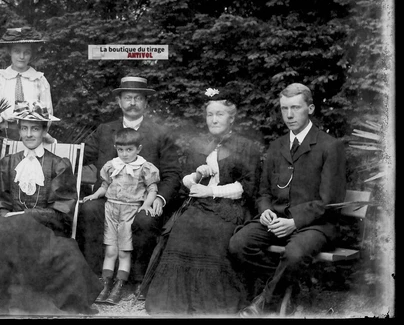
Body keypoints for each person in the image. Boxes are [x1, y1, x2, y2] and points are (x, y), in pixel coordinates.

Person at [0, 101, 102, 315]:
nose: (29, 134)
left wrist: (24, 216)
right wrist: (7, 217)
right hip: (8, 230)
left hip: (44, 232)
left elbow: (62, 212)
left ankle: (26, 302)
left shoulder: (59, 164)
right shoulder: (8, 162)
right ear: (19, 130)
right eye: (25, 128)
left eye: (35, 129)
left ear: (44, 131)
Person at [229, 83, 346, 317]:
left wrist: (294, 222)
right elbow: (263, 192)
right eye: (284, 108)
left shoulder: (330, 146)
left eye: (295, 108)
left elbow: (330, 201)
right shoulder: (277, 146)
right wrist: (265, 211)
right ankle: (288, 285)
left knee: (294, 254)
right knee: (238, 244)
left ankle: (264, 304)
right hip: (276, 220)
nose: (289, 115)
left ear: (310, 109)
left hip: (316, 224)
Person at [143, 87, 261, 316]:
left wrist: (210, 191)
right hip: (200, 205)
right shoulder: (199, 144)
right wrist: (197, 175)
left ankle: (212, 303)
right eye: (210, 114)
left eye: (220, 114)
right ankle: (177, 302)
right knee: (183, 227)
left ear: (231, 118)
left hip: (231, 207)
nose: (214, 119)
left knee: (213, 232)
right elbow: (185, 180)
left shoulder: (246, 147)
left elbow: (246, 187)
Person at [77, 76, 182, 297]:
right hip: (110, 199)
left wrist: (158, 199)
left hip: (142, 201)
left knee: (146, 219)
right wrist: (52, 144)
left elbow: (172, 173)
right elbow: (80, 156)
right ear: (119, 101)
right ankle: (96, 277)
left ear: (146, 103)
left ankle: (138, 279)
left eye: (138, 98)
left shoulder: (159, 134)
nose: (132, 103)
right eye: (127, 98)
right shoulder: (105, 130)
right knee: (89, 209)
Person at [82, 128, 160, 305]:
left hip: (129, 211)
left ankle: (120, 284)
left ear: (138, 149)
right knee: (111, 250)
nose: (124, 154)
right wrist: (95, 195)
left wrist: (146, 205)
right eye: (120, 150)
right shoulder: (112, 165)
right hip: (111, 209)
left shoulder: (144, 167)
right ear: (116, 148)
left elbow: (152, 189)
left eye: (129, 150)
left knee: (124, 252)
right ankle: (105, 284)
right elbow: (105, 185)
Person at [0, 27, 53, 141]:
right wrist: (2, 124)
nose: (22, 57)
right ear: (10, 52)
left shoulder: (39, 80)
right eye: (17, 51)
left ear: (31, 54)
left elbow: (48, 112)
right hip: (5, 134)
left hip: (32, 136)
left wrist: (36, 129)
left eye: (26, 52)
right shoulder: (0, 79)